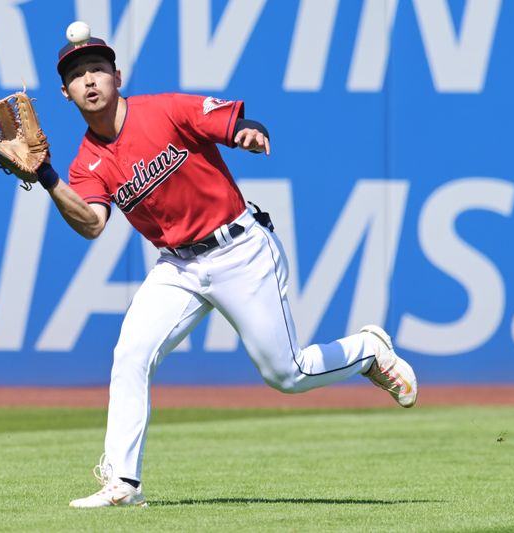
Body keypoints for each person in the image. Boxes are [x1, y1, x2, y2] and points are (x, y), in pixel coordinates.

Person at [33, 22, 418, 508]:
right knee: (130, 355)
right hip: (178, 267)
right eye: (76, 76)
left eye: (97, 69)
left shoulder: (166, 109)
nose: (89, 81)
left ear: (118, 75)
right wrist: (47, 177)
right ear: (65, 93)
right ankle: (124, 484)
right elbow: (91, 224)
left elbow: (232, 122)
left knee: (286, 374)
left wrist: (247, 132)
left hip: (239, 249)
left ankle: (366, 351)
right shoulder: (86, 163)